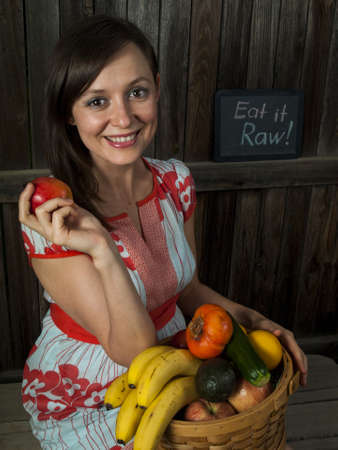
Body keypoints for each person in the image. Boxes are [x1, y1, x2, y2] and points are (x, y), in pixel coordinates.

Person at [18, 15, 307, 449]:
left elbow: (188, 291)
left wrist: (253, 320)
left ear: (156, 88)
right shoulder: (54, 219)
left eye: (137, 92)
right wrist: (100, 246)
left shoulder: (176, 180)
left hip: (178, 351)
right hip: (93, 389)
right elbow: (132, 349)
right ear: (69, 114)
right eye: (97, 101)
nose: (123, 118)